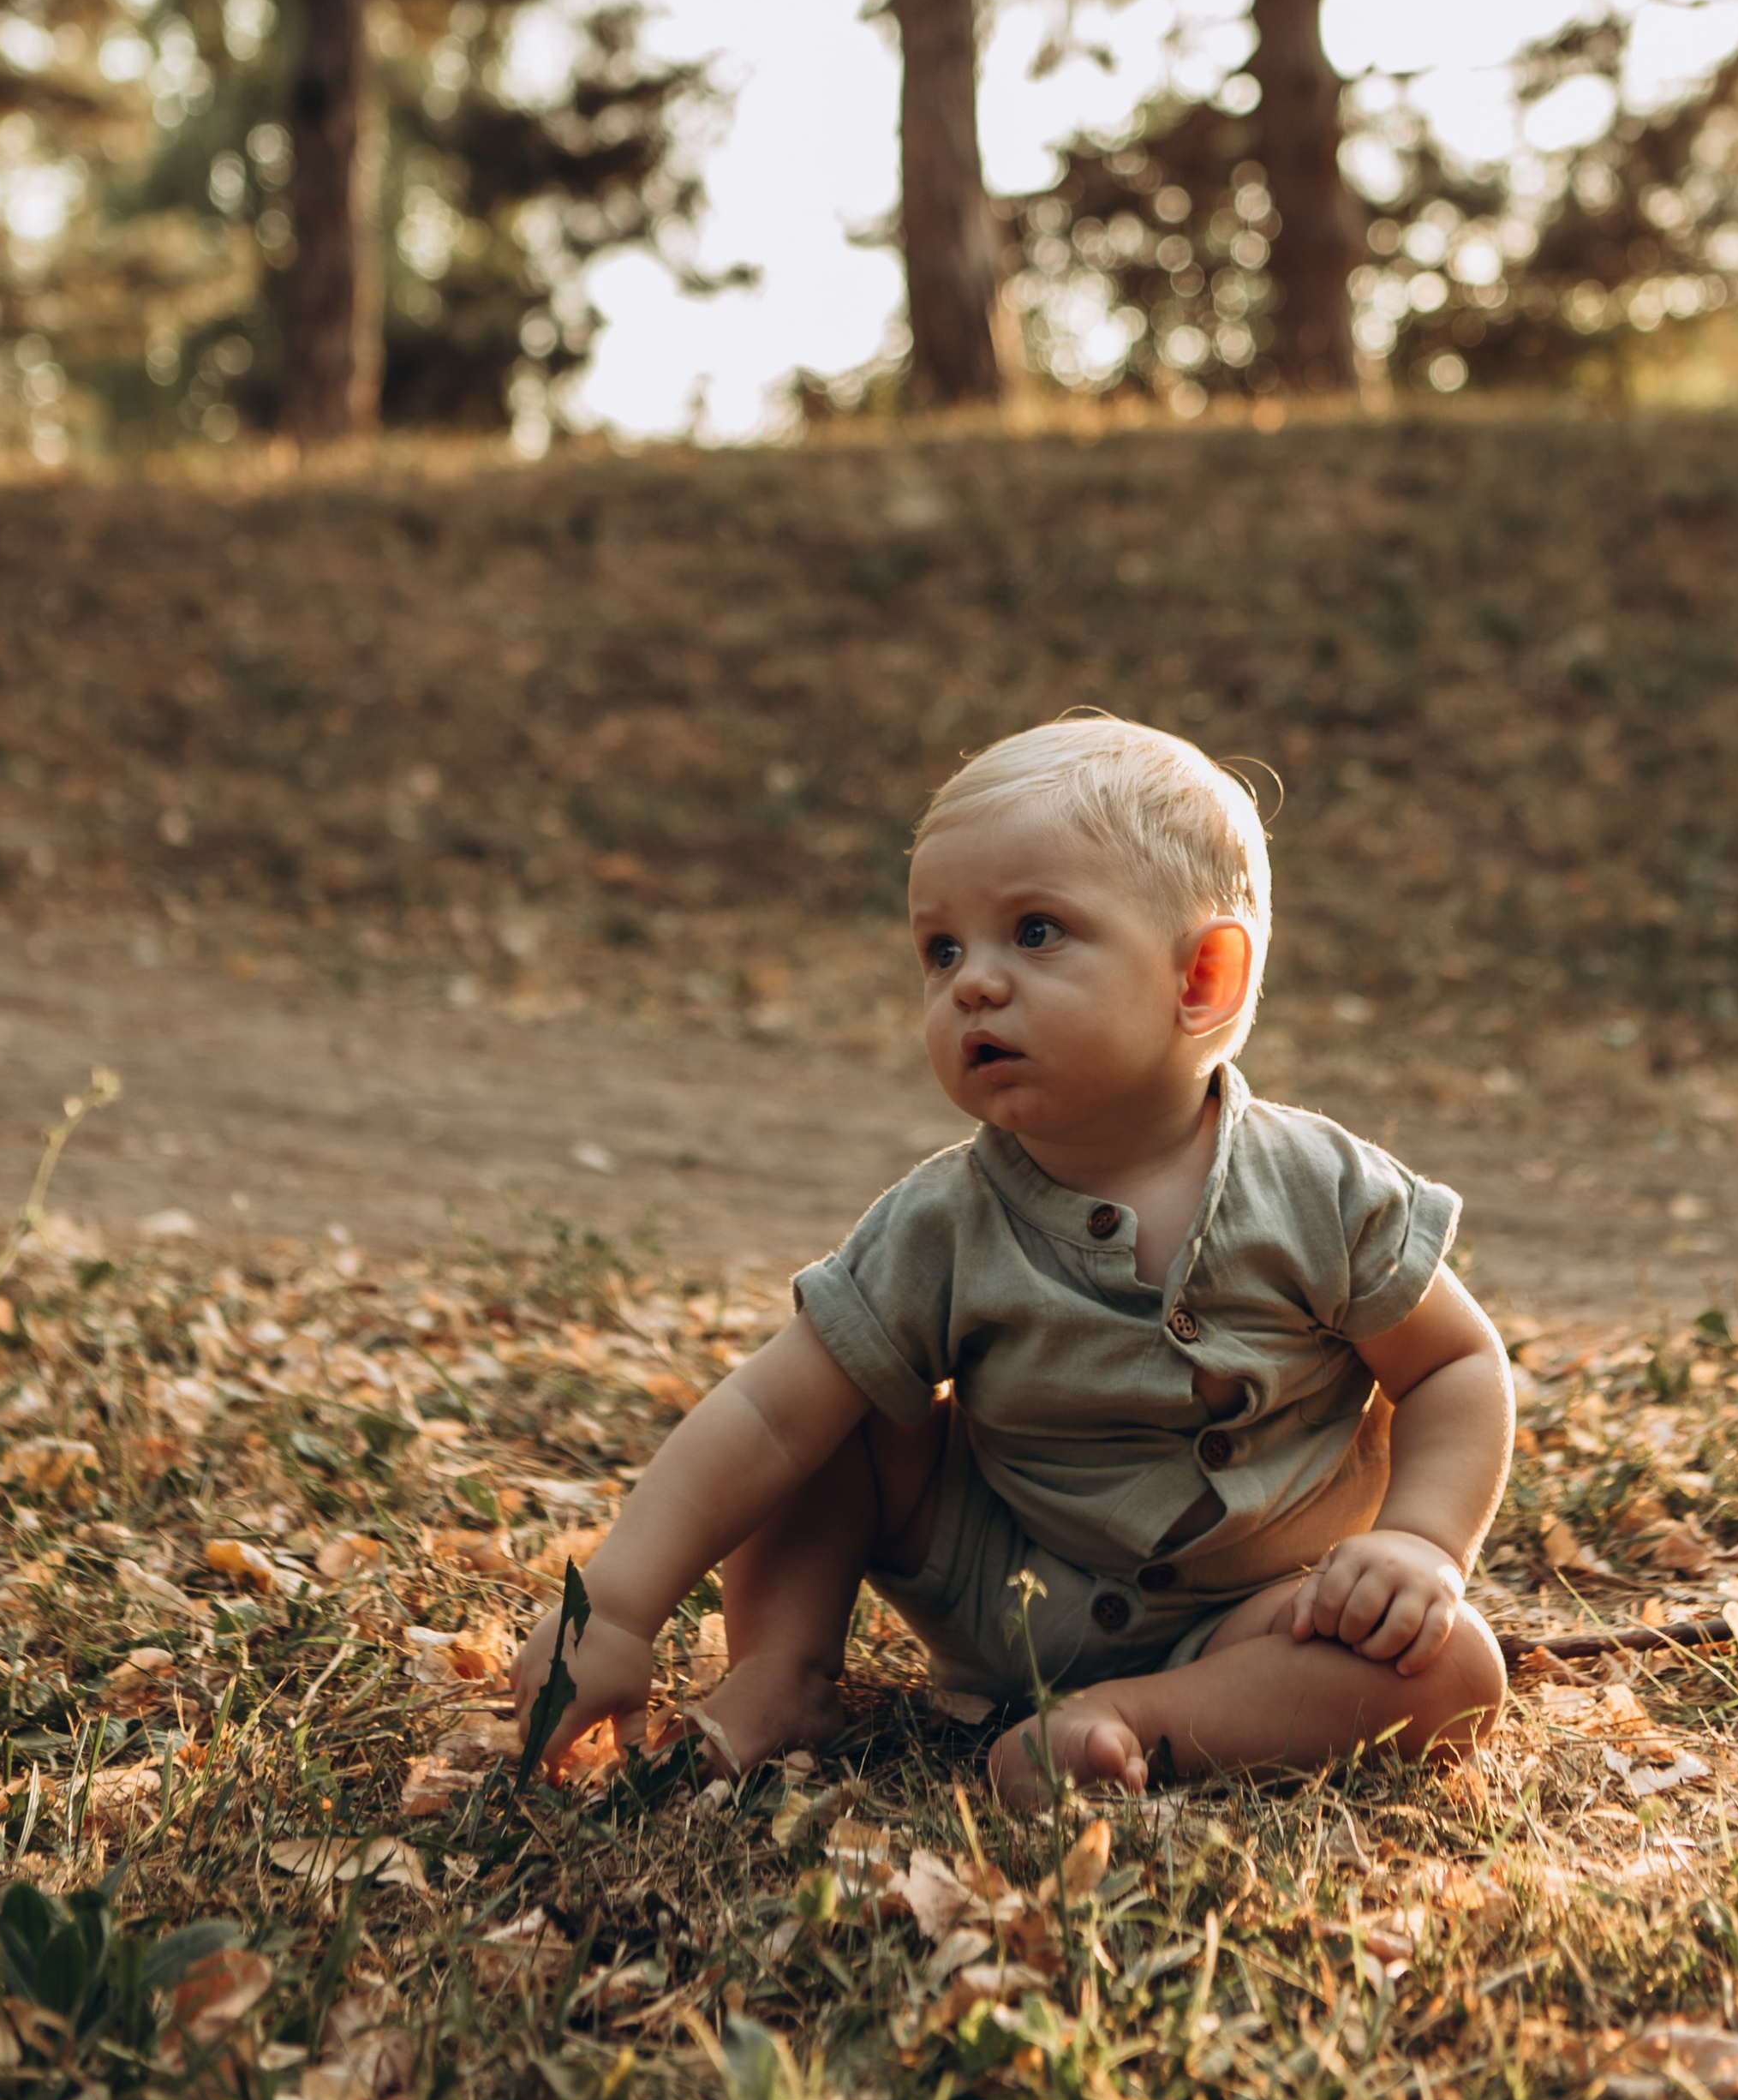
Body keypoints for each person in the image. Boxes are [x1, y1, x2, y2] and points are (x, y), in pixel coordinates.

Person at [509, 715, 1513, 1805]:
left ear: (1202, 977)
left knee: (1453, 1669)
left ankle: (1139, 1725)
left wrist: (1419, 1546)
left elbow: (1453, 1369)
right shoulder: (944, 1220)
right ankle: (783, 1673)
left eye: (1034, 933)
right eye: (941, 950)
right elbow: (760, 1417)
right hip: (999, 1581)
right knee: (836, 1398)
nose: (971, 984)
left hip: (1256, 1614)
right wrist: (609, 1611)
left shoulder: (1320, 1189)